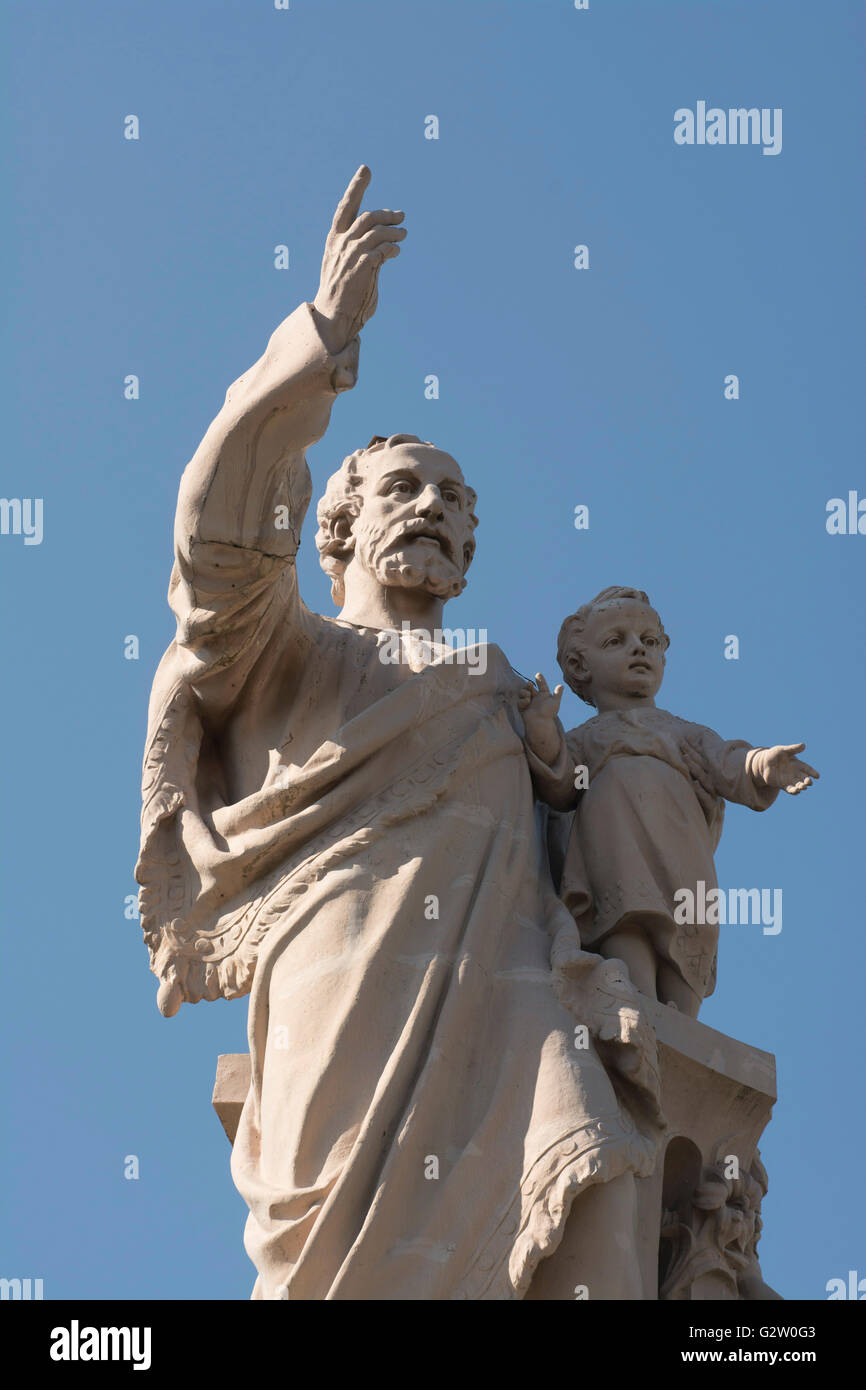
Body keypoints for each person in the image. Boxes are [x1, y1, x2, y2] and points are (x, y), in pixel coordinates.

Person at [136, 170, 663, 1300]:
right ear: (335, 523)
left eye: (454, 499)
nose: (430, 507)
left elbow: (588, 824)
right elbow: (214, 541)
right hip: (347, 976)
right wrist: (323, 336)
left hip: (519, 984)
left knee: (602, 1189)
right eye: (402, 489)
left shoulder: (504, 685)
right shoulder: (290, 652)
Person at [520, 586, 819, 1017]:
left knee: (690, 930)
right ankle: (634, 1003)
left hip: (683, 853)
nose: (638, 649)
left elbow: (727, 761)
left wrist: (761, 765)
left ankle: (684, 1024)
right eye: (615, 641)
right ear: (580, 665)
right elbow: (561, 785)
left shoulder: (685, 731)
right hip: (614, 851)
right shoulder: (586, 738)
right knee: (627, 917)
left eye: (650, 640)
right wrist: (543, 731)